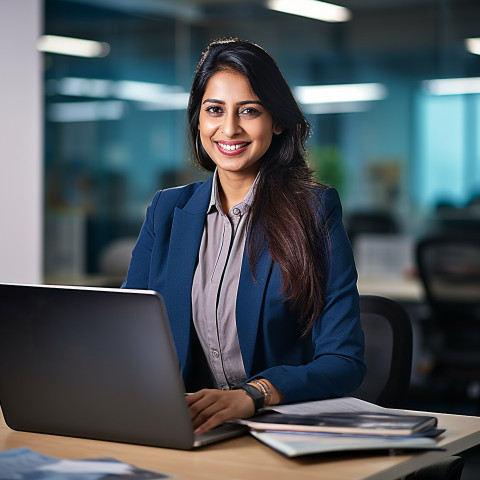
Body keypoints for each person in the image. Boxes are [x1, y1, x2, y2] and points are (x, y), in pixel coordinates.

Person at [122, 38, 365, 435]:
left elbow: (344, 360)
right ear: (198, 120)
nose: (229, 128)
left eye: (249, 111)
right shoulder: (166, 212)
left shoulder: (315, 212)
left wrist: (254, 394)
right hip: (185, 427)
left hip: (274, 430)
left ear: (278, 120)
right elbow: (126, 334)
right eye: (214, 110)